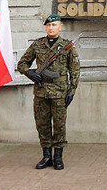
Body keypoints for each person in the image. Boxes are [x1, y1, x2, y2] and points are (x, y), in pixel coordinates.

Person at [17, 14, 80, 170]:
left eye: (54, 25)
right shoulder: (37, 45)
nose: (51, 28)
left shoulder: (67, 46)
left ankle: (58, 158)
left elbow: (75, 70)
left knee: (59, 125)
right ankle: (46, 157)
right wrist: (29, 72)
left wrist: (72, 91)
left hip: (60, 93)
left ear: (60, 27)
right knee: (42, 125)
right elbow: (22, 63)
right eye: (48, 25)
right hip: (41, 92)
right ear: (46, 27)